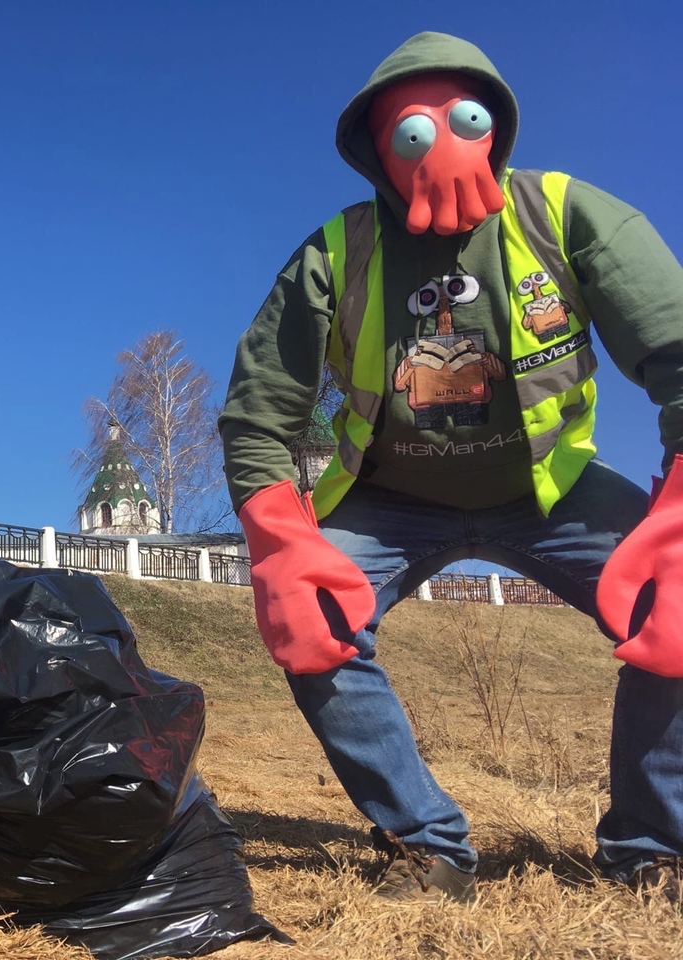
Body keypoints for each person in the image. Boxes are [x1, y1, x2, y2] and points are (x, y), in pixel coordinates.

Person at [219, 31, 683, 905]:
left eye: (463, 120)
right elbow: (258, 413)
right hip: (390, 497)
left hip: (550, 489)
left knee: (681, 609)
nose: (437, 144)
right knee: (311, 624)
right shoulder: (335, 253)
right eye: (411, 131)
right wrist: (279, 537)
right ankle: (426, 841)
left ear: (496, 125)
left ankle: (652, 845)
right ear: (375, 149)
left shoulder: (567, 215)